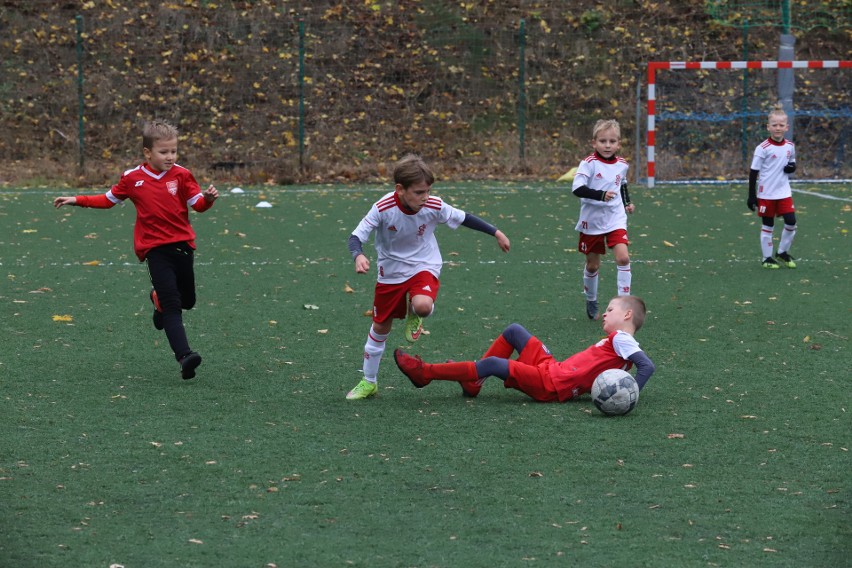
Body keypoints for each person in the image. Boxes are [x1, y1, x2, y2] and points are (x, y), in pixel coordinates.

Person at [53, 119, 219, 380]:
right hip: (155, 251)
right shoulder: (132, 178)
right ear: (147, 152)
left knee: (188, 300)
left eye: (174, 151)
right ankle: (185, 356)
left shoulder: (182, 174)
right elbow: (108, 200)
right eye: (164, 152)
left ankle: (156, 300)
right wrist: (77, 200)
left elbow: (197, 203)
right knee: (173, 305)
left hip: (183, 246)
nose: (170, 156)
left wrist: (207, 200)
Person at [346, 154, 511, 400]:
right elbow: (356, 236)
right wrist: (358, 255)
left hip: (424, 264)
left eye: (428, 191)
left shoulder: (433, 205)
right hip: (390, 271)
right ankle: (369, 382)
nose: (426, 197)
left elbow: (463, 217)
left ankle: (416, 312)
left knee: (422, 306)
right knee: (380, 327)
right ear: (400, 190)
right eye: (419, 192)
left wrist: (495, 232)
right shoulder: (383, 208)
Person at [394, 295, 655, 402]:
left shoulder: (622, 339)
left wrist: (630, 396)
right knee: (514, 331)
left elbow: (647, 366)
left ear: (628, 314)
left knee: (495, 365)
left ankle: (425, 373)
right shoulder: (620, 342)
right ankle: (473, 383)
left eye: (610, 310)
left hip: (552, 385)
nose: (605, 314)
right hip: (553, 369)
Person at [571, 119, 635, 321]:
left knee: (623, 258)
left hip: (615, 217)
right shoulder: (589, 163)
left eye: (612, 141)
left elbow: (622, 185)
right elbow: (577, 189)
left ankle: (623, 304)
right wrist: (600, 195)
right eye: (603, 141)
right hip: (592, 221)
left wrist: (627, 203)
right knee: (593, 266)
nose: (607, 145)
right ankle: (591, 299)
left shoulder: (622, 164)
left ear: (619, 144)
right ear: (594, 143)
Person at [747, 105, 798, 269]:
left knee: (791, 222)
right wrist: (751, 195)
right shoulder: (762, 148)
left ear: (786, 127)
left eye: (781, 125)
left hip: (783, 192)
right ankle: (766, 258)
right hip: (766, 193)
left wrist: (792, 168)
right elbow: (753, 172)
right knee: (768, 225)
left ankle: (782, 252)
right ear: (768, 127)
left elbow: (792, 162)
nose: (778, 128)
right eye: (774, 125)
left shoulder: (790, 145)